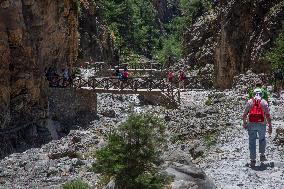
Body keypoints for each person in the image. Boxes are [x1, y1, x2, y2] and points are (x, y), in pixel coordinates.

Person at [243, 89, 272, 167]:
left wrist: (244, 123)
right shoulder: (264, 102)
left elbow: (244, 114)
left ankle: (253, 160)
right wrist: (270, 126)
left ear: (253, 94)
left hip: (251, 124)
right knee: (262, 139)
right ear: (261, 94)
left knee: (252, 141)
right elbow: (268, 116)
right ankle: (262, 155)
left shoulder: (249, 102)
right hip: (262, 124)